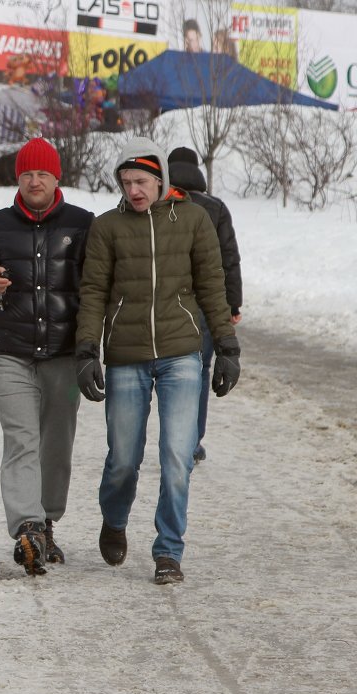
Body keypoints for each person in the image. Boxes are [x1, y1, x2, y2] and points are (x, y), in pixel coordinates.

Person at [75, 138, 241, 586]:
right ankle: (114, 518)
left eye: (142, 181)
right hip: (126, 355)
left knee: (177, 455)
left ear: (161, 179)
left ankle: (169, 550)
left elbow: (212, 284)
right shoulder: (108, 227)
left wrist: (226, 345)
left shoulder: (193, 220)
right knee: (124, 458)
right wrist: (88, 348)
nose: (134, 191)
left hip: (181, 352)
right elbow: (92, 292)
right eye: (126, 182)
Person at [0, 137, 94, 575]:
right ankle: (27, 525)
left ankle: (47, 519)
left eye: (43, 174)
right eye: (28, 174)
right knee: (21, 440)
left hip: (63, 356)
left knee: (56, 444)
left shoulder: (83, 224)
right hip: (10, 354)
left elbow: (98, 289)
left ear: (57, 178)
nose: (35, 181)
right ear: (18, 178)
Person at [167, 146, 243, 464]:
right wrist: (233, 304)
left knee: (164, 371)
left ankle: (170, 437)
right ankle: (190, 442)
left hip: (165, 302)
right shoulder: (216, 207)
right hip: (205, 305)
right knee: (198, 371)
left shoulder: (158, 203)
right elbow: (229, 259)